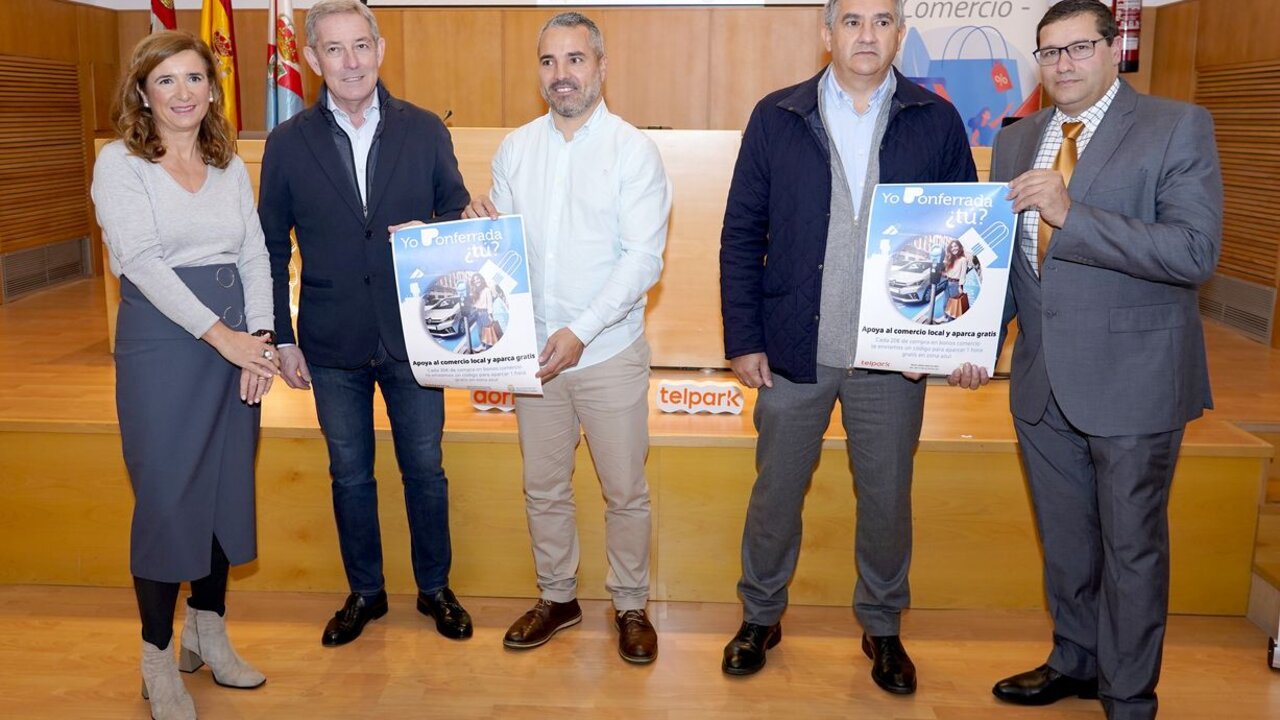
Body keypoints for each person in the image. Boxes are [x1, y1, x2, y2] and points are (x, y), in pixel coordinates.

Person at [956, 2, 1222, 717]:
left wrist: (1074, 215)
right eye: (1049, 53)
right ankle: (1075, 660)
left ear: (1114, 49)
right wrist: (975, 340)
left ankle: (1129, 694)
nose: (1064, 64)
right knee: (1068, 544)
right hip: (1042, 381)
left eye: (1079, 48)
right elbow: (1008, 264)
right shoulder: (1017, 141)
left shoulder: (1175, 126)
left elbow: (1194, 253)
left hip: (1134, 381)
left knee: (1132, 550)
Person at [718, 0, 979, 693]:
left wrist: (955, 335)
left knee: (888, 497)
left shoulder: (937, 120)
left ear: (901, 34)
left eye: (883, 20)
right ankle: (760, 616)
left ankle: (883, 628)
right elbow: (742, 233)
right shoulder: (777, 116)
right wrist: (743, 339)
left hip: (892, 358)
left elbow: (966, 239)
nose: (868, 34)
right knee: (775, 493)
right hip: (792, 349)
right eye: (853, 20)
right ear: (826, 33)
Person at [258, 0, 474, 648]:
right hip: (329, 342)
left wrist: (431, 232)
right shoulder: (285, 144)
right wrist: (283, 336)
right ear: (311, 59)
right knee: (349, 473)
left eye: (360, 46)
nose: (350, 61)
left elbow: (457, 215)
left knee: (425, 469)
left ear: (380, 51)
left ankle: (434, 588)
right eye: (334, 49)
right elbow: (270, 247)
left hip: (416, 336)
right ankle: (366, 591)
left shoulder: (427, 129)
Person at [464, 11, 671, 664]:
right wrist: (469, 236)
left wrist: (580, 332)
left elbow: (642, 260)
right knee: (543, 486)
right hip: (534, 358)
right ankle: (558, 596)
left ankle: (630, 603)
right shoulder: (515, 150)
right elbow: (501, 252)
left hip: (606, 352)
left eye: (575, 60)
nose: (562, 75)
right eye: (549, 62)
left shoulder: (633, 151)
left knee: (624, 490)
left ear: (601, 67)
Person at [92, 30, 278, 720]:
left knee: (225, 489)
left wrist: (257, 340)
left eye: (195, 78)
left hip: (235, 338)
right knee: (169, 498)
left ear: (212, 89)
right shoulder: (120, 164)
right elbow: (139, 261)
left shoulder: (228, 163)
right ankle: (156, 656)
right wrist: (222, 337)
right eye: (166, 80)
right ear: (142, 91)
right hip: (165, 346)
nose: (182, 93)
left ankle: (209, 629)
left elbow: (257, 253)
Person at [941, 239, 975, 320]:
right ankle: (945, 317)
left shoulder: (963, 259)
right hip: (947, 283)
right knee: (945, 303)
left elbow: (963, 274)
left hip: (955, 285)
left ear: (959, 247)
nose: (953, 248)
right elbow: (948, 272)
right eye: (951, 247)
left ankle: (950, 321)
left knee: (953, 305)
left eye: (955, 246)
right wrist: (943, 273)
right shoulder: (951, 259)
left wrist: (960, 286)